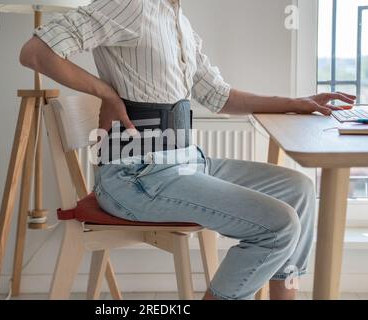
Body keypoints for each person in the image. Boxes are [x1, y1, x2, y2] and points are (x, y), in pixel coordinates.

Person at [19, 0, 355, 300]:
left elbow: (218, 95)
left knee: (298, 189)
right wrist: (105, 93)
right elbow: (36, 52)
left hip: (187, 162)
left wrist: (296, 103)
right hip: (137, 176)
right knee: (279, 224)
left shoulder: (177, 18)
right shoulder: (131, 6)